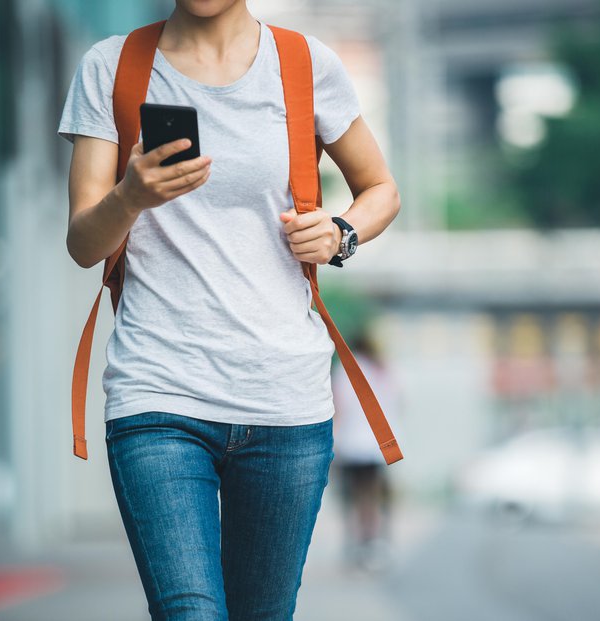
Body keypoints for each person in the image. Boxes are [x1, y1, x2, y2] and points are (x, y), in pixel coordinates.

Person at [56, 1, 400, 619]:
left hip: (285, 404)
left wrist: (340, 232)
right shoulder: (111, 66)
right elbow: (84, 242)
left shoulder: (305, 64)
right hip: (159, 395)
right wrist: (130, 195)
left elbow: (381, 189)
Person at [331, 331, 401, 571]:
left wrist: (331, 442)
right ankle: (376, 542)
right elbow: (400, 401)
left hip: (353, 445)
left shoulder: (348, 367)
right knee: (375, 495)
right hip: (380, 445)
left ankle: (359, 545)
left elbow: (340, 406)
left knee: (354, 497)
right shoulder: (383, 368)